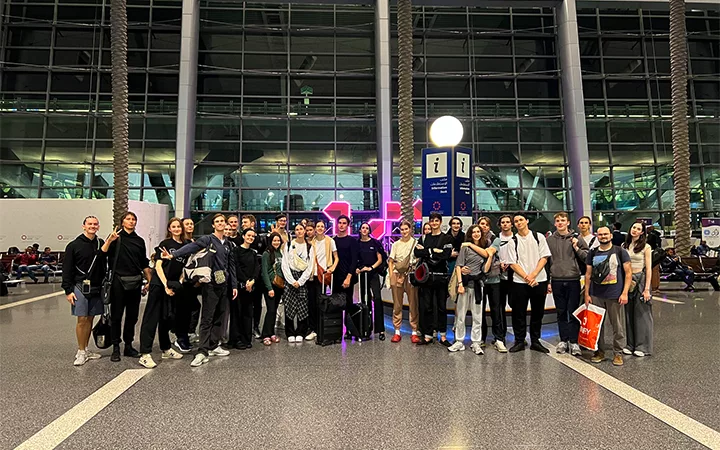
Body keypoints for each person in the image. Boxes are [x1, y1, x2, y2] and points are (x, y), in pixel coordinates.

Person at [162, 213, 238, 367]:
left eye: (222, 221)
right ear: (213, 225)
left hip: (223, 285)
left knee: (220, 317)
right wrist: (174, 255)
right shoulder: (208, 239)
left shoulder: (228, 244)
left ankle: (213, 345)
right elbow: (191, 247)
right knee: (207, 318)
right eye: (217, 221)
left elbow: (231, 266)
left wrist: (234, 285)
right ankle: (202, 351)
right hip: (210, 285)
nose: (221, 223)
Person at [61, 216, 111, 366]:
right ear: (83, 226)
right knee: (81, 319)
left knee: (90, 318)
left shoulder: (100, 243)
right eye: (89, 224)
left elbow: (103, 260)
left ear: (98, 226)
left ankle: (86, 349)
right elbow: (67, 269)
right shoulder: (73, 245)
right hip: (79, 287)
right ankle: (81, 351)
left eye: (95, 224)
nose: (92, 226)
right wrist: (68, 290)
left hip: (96, 287)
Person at [138, 218, 186, 368]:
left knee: (167, 318)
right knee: (151, 318)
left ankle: (166, 348)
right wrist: (165, 285)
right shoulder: (165, 244)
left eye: (179, 226)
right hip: (159, 284)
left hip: (172, 286)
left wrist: (178, 284)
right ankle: (145, 354)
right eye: (174, 227)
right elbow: (158, 266)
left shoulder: (185, 246)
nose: (177, 228)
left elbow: (184, 269)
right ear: (169, 229)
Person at [503, 213, 552, 353]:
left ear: (527, 221)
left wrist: (533, 275)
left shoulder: (539, 237)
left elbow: (544, 257)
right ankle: (519, 340)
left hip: (539, 280)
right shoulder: (512, 241)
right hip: (519, 282)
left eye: (521, 220)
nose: (518, 223)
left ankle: (536, 341)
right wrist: (526, 277)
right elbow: (512, 263)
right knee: (518, 312)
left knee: (538, 312)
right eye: (516, 221)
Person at [107, 211, 152, 362]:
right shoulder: (115, 238)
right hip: (118, 282)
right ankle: (115, 347)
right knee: (116, 316)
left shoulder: (139, 241)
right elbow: (104, 255)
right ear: (122, 222)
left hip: (135, 281)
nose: (131, 221)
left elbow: (143, 262)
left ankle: (128, 345)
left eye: (134, 219)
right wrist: (109, 241)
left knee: (132, 316)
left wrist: (149, 280)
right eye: (128, 219)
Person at [585, 226, 632, 366]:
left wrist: (624, 293)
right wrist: (587, 294)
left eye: (605, 234)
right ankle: (600, 351)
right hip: (596, 294)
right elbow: (588, 275)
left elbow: (628, 274)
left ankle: (618, 353)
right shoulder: (592, 253)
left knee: (617, 325)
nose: (603, 236)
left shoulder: (620, 251)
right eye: (600, 234)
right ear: (597, 236)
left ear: (611, 235)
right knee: (597, 325)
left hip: (614, 294)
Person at [546, 212, 589, 356]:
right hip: (557, 279)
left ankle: (574, 341)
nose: (560, 223)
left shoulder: (577, 239)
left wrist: (576, 247)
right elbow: (546, 261)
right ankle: (563, 340)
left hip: (573, 279)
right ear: (554, 223)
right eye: (557, 220)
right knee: (561, 312)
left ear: (568, 223)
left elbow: (587, 257)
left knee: (573, 312)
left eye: (562, 220)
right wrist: (548, 281)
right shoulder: (549, 240)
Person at [450, 225, 494, 354]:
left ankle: (476, 342)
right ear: (470, 234)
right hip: (465, 284)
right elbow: (459, 266)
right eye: (473, 232)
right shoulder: (465, 248)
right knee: (461, 314)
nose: (476, 234)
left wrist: (490, 257)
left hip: (478, 285)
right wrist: (460, 284)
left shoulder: (486, 247)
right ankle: (459, 341)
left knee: (477, 315)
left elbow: (485, 270)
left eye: (478, 232)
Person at [414, 212, 454, 346]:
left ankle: (443, 335)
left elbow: (446, 255)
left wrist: (428, 251)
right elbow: (417, 252)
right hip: (427, 278)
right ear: (429, 222)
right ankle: (428, 335)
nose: (434, 223)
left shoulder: (447, 238)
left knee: (442, 307)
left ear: (440, 222)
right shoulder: (425, 238)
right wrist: (434, 251)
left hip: (441, 277)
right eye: (432, 221)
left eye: (437, 221)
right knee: (427, 307)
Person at [622, 222, 654, 358]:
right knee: (628, 313)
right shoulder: (624, 246)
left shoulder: (646, 247)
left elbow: (649, 269)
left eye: (638, 229)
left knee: (642, 314)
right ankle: (630, 344)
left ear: (642, 233)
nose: (635, 230)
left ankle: (643, 346)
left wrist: (647, 289)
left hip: (640, 280)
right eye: (633, 227)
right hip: (627, 281)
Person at [282, 223, 315, 343]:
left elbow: (310, 266)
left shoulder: (309, 246)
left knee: (303, 305)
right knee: (289, 304)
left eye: (301, 229)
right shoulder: (289, 245)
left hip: (303, 279)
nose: (299, 231)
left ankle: (301, 331)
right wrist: (291, 280)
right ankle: (290, 332)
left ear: (305, 231)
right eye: (297, 229)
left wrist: (300, 281)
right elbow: (284, 263)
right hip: (290, 277)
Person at [388, 220, 420, 343]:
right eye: (402, 229)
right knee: (397, 304)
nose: (404, 231)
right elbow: (391, 261)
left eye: (406, 229)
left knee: (413, 303)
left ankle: (414, 330)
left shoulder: (416, 243)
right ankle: (397, 330)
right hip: (397, 274)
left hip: (411, 276)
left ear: (410, 229)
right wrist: (391, 276)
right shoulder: (395, 244)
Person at [228, 228, 260, 350]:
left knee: (248, 314)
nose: (251, 238)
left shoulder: (253, 252)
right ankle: (236, 339)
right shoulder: (235, 251)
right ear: (244, 236)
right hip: (239, 287)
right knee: (237, 313)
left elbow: (256, 268)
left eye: (253, 236)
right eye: (249, 235)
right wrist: (245, 281)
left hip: (250, 288)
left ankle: (246, 339)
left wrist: (252, 280)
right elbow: (235, 267)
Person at [307, 219, 338, 341]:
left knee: (321, 302)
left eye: (322, 226)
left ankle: (321, 328)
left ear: (325, 228)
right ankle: (313, 328)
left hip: (323, 276)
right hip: (312, 275)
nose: (319, 228)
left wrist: (332, 268)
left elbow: (336, 258)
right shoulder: (311, 242)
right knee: (311, 303)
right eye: (318, 226)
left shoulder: (330, 241)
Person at [173, 217, 200, 352]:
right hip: (179, 282)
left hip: (191, 282)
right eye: (187, 224)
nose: (190, 226)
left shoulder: (193, 242)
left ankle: (187, 333)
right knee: (181, 310)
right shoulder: (180, 244)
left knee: (192, 307)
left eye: (191, 223)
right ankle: (180, 337)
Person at [357, 222, 386, 340]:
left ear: (369, 231)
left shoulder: (375, 243)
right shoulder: (357, 244)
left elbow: (380, 259)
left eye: (367, 228)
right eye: (362, 228)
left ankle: (380, 330)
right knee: (365, 300)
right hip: (362, 275)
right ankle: (366, 327)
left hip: (373, 274)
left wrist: (371, 268)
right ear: (360, 230)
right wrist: (359, 269)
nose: (364, 230)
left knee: (377, 299)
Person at [241, 214, 266, 339]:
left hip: (257, 277)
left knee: (257, 303)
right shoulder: (241, 240)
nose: (242, 224)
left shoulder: (261, 240)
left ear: (252, 224)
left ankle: (255, 326)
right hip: (244, 279)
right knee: (245, 304)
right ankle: (244, 328)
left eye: (245, 222)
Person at [476, 216, 498, 346]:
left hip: (493, 279)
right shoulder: (475, 239)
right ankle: (481, 338)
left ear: (489, 227)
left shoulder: (495, 239)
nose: (483, 226)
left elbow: (489, 252)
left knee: (496, 309)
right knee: (480, 311)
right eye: (481, 224)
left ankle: (498, 338)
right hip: (479, 280)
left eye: (486, 224)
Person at [261, 232, 284, 345]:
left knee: (274, 310)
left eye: (278, 240)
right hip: (270, 286)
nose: (276, 242)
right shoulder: (267, 253)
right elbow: (264, 272)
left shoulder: (280, 253)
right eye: (274, 240)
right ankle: (265, 334)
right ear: (270, 241)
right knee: (270, 310)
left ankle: (272, 333)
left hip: (279, 285)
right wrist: (269, 288)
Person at [495, 214, 514, 349]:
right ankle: (500, 336)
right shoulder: (496, 239)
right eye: (503, 222)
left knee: (516, 305)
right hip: (499, 276)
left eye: (508, 222)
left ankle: (520, 336)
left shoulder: (517, 238)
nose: (505, 224)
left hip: (515, 276)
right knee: (500, 306)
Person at [333, 215, 359, 312]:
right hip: (335, 277)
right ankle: (337, 327)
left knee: (348, 304)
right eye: (340, 223)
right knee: (335, 304)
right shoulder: (333, 241)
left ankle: (349, 326)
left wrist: (348, 277)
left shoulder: (352, 241)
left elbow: (354, 260)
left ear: (348, 225)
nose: (341, 225)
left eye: (344, 223)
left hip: (347, 276)